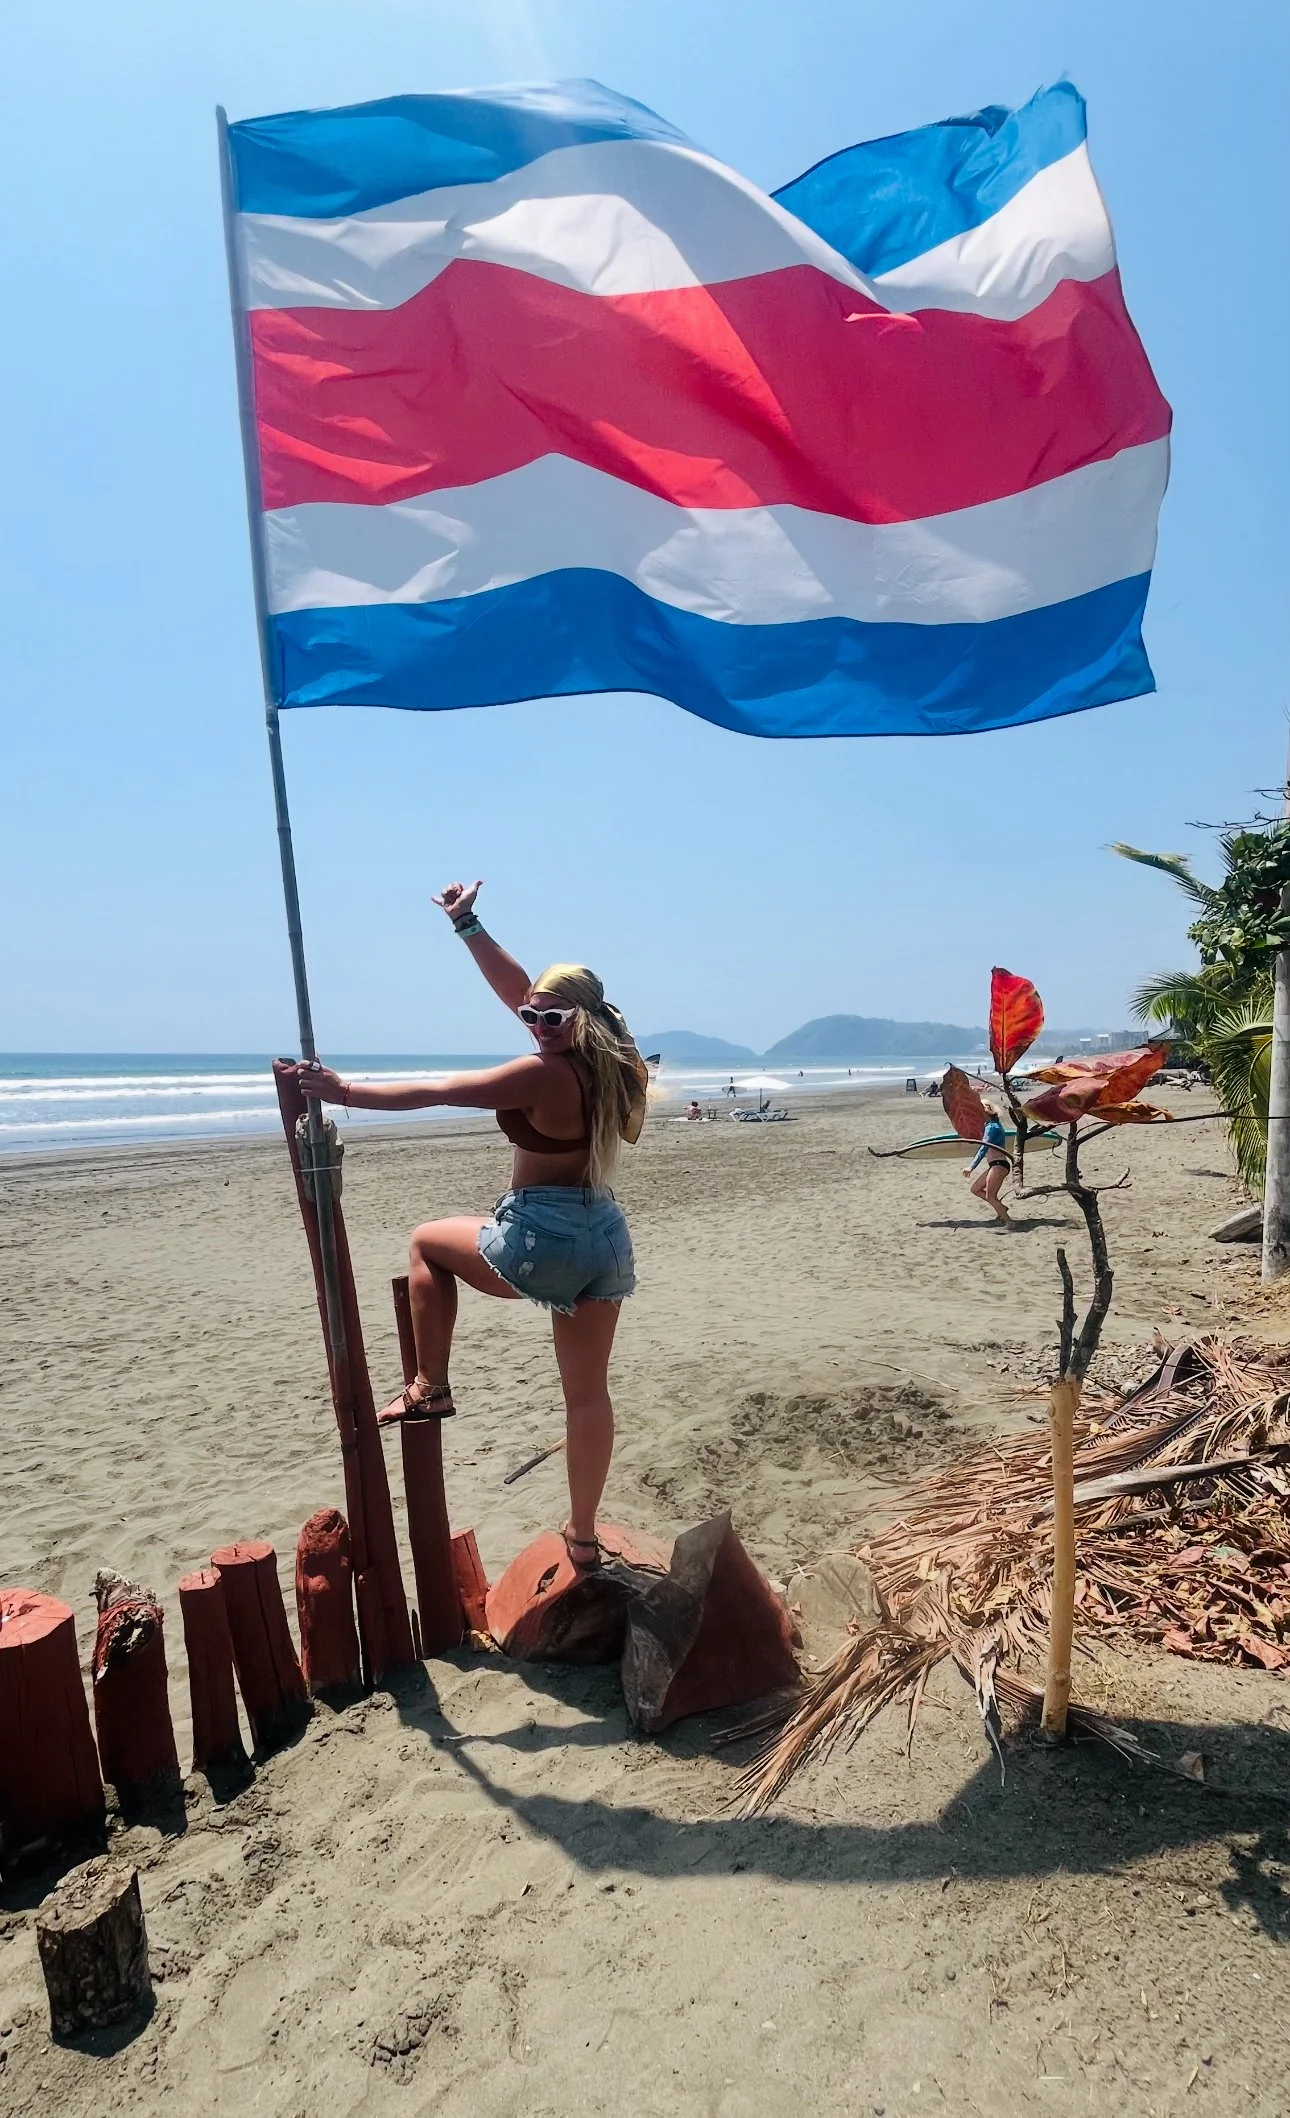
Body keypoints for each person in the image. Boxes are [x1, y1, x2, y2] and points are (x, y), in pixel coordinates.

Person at [297, 880, 648, 1570]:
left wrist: (344, 1093)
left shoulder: (539, 1074)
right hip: (603, 1234)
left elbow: (437, 1091)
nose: (536, 1027)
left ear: (580, 1018)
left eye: (551, 1019)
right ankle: (583, 1538)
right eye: (532, 1018)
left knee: (428, 1240)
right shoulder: (613, 1061)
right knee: (587, 1395)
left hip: (543, 1237)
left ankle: (431, 1384)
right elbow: (522, 988)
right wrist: (468, 925)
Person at [965, 1103, 1012, 1223]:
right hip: (996, 1165)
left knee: (990, 1197)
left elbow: (984, 1147)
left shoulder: (991, 1127)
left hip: (998, 1165)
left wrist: (972, 1166)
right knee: (975, 1189)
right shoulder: (993, 1125)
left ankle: (1010, 1222)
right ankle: (1001, 1208)